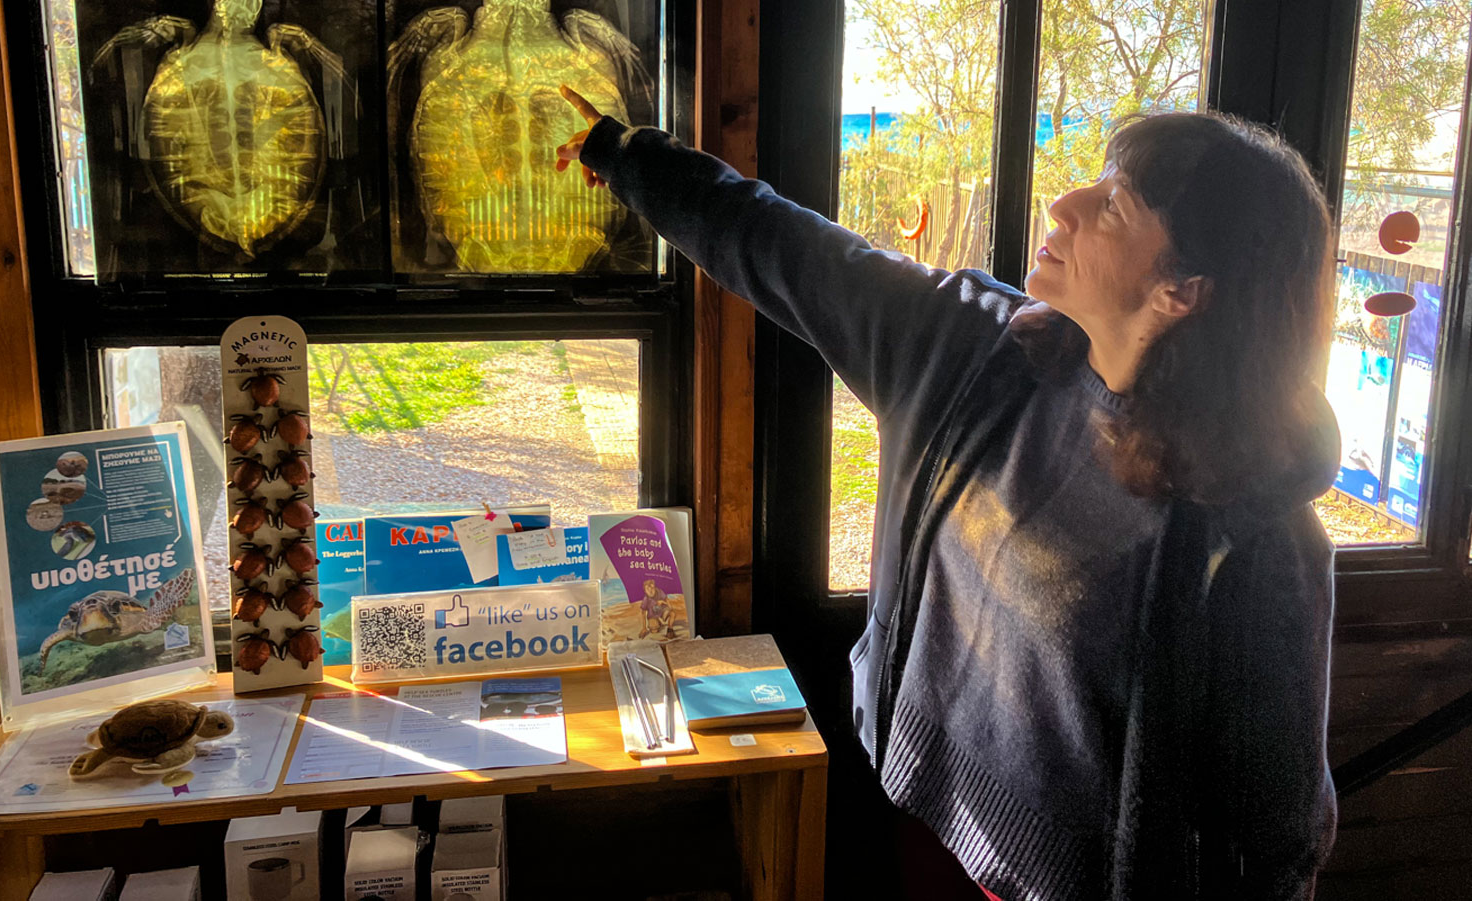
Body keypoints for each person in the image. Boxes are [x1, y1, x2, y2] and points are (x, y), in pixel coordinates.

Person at [556, 86, 1339, 901]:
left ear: (1185, 291)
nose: (1065, 202)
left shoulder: (1256, 535)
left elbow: (1274, 837)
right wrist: (628, 153)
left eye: (1114, 204)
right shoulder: (968, 347)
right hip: (914, 806)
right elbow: (782, 243)